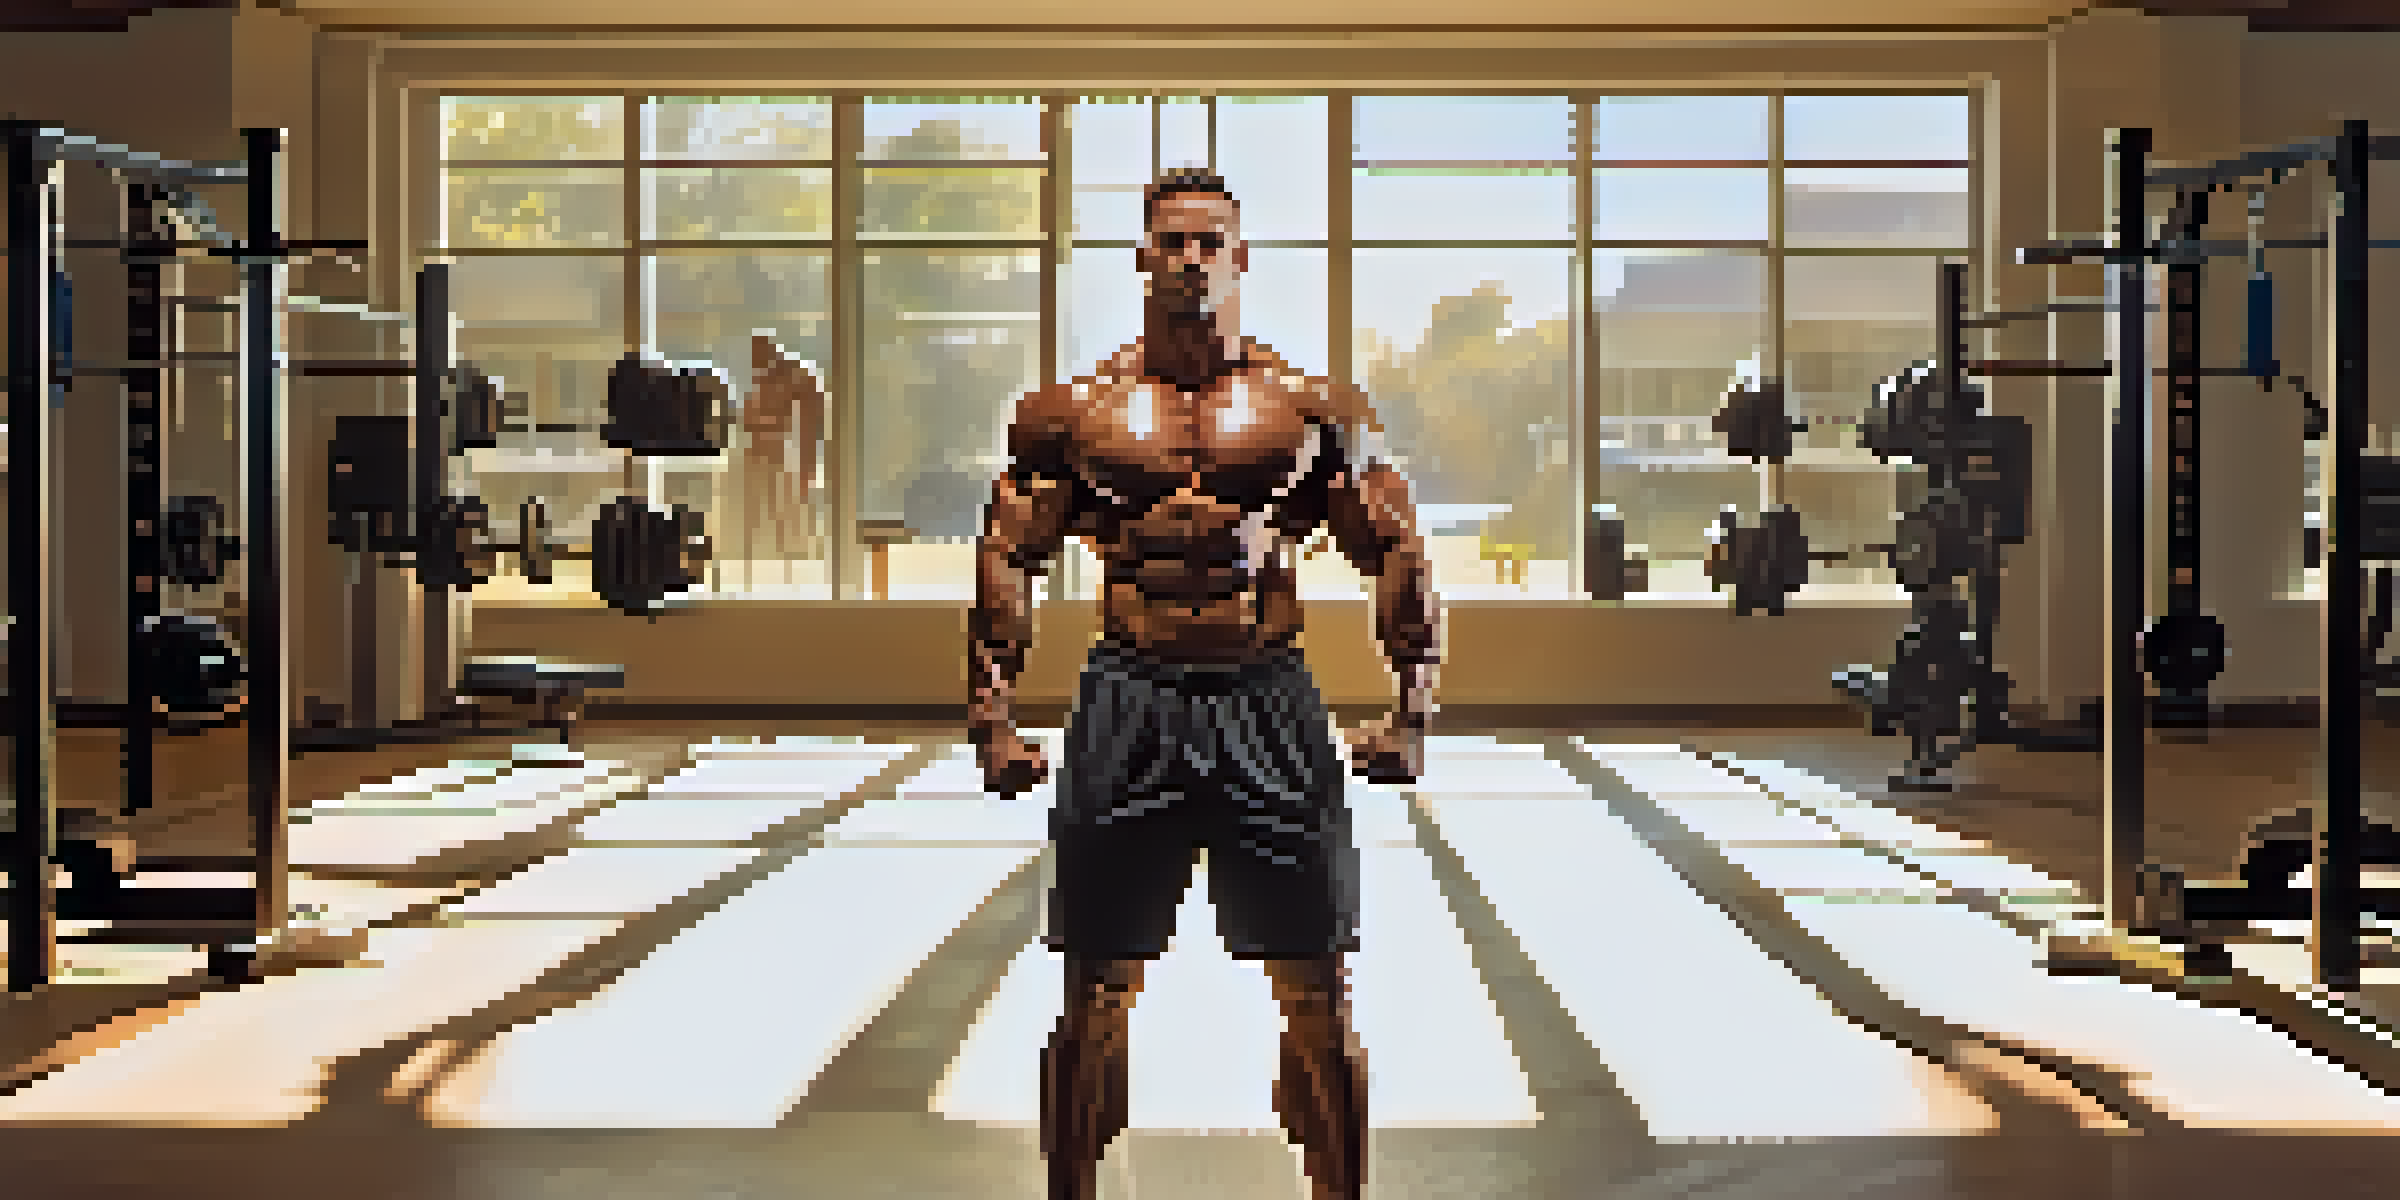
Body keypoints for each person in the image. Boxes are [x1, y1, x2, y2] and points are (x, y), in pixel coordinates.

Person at [968, 167, 1441, 1200]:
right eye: (1171, 242)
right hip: (1128, 696)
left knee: (1317, 986)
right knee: (1096, 985)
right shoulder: (1076, 416)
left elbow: (1393, 541)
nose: (1190, 260)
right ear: (1142, 257)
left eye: (1209, 243)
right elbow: (1012, 548)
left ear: (1238, 258)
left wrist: (1413, 712)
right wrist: (992, 715)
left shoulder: (1311, 410)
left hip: (1267, 694)